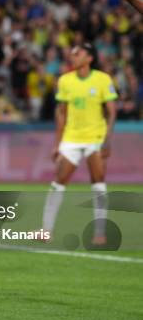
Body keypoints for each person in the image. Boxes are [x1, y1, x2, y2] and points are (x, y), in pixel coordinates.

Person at [41, 43, 117, 245]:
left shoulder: (102, 80)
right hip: (72, 138)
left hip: (95, 137)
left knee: (98, 181)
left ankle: (100, 232)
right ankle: (46, 230)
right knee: (58, 182)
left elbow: (111, 111)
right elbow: (61, 113)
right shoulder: (65, 80)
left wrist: (107, 140)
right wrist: (56, 144)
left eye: (78, 53)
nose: (73, 56)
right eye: (72, 53)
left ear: (89, 58)